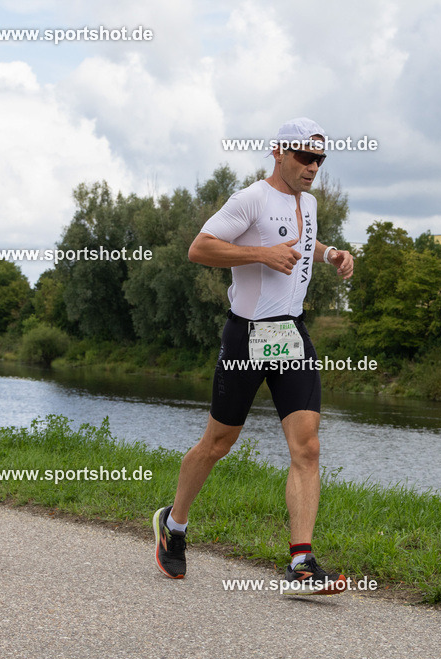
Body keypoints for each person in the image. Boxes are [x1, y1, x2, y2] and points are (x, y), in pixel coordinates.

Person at [153, 117, 354, 595]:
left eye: (320, 159)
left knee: (307, 447)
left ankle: (301, 564)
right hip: (246, 336)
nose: (313, 167)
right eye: (305, 157)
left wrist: (328, 255)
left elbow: (304, 243)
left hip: (291, 334)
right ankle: (174, 525)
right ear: (278, 152)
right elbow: (199, 248)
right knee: (218, 444)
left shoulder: (310, 202)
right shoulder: (250, 199)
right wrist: (261, 255)